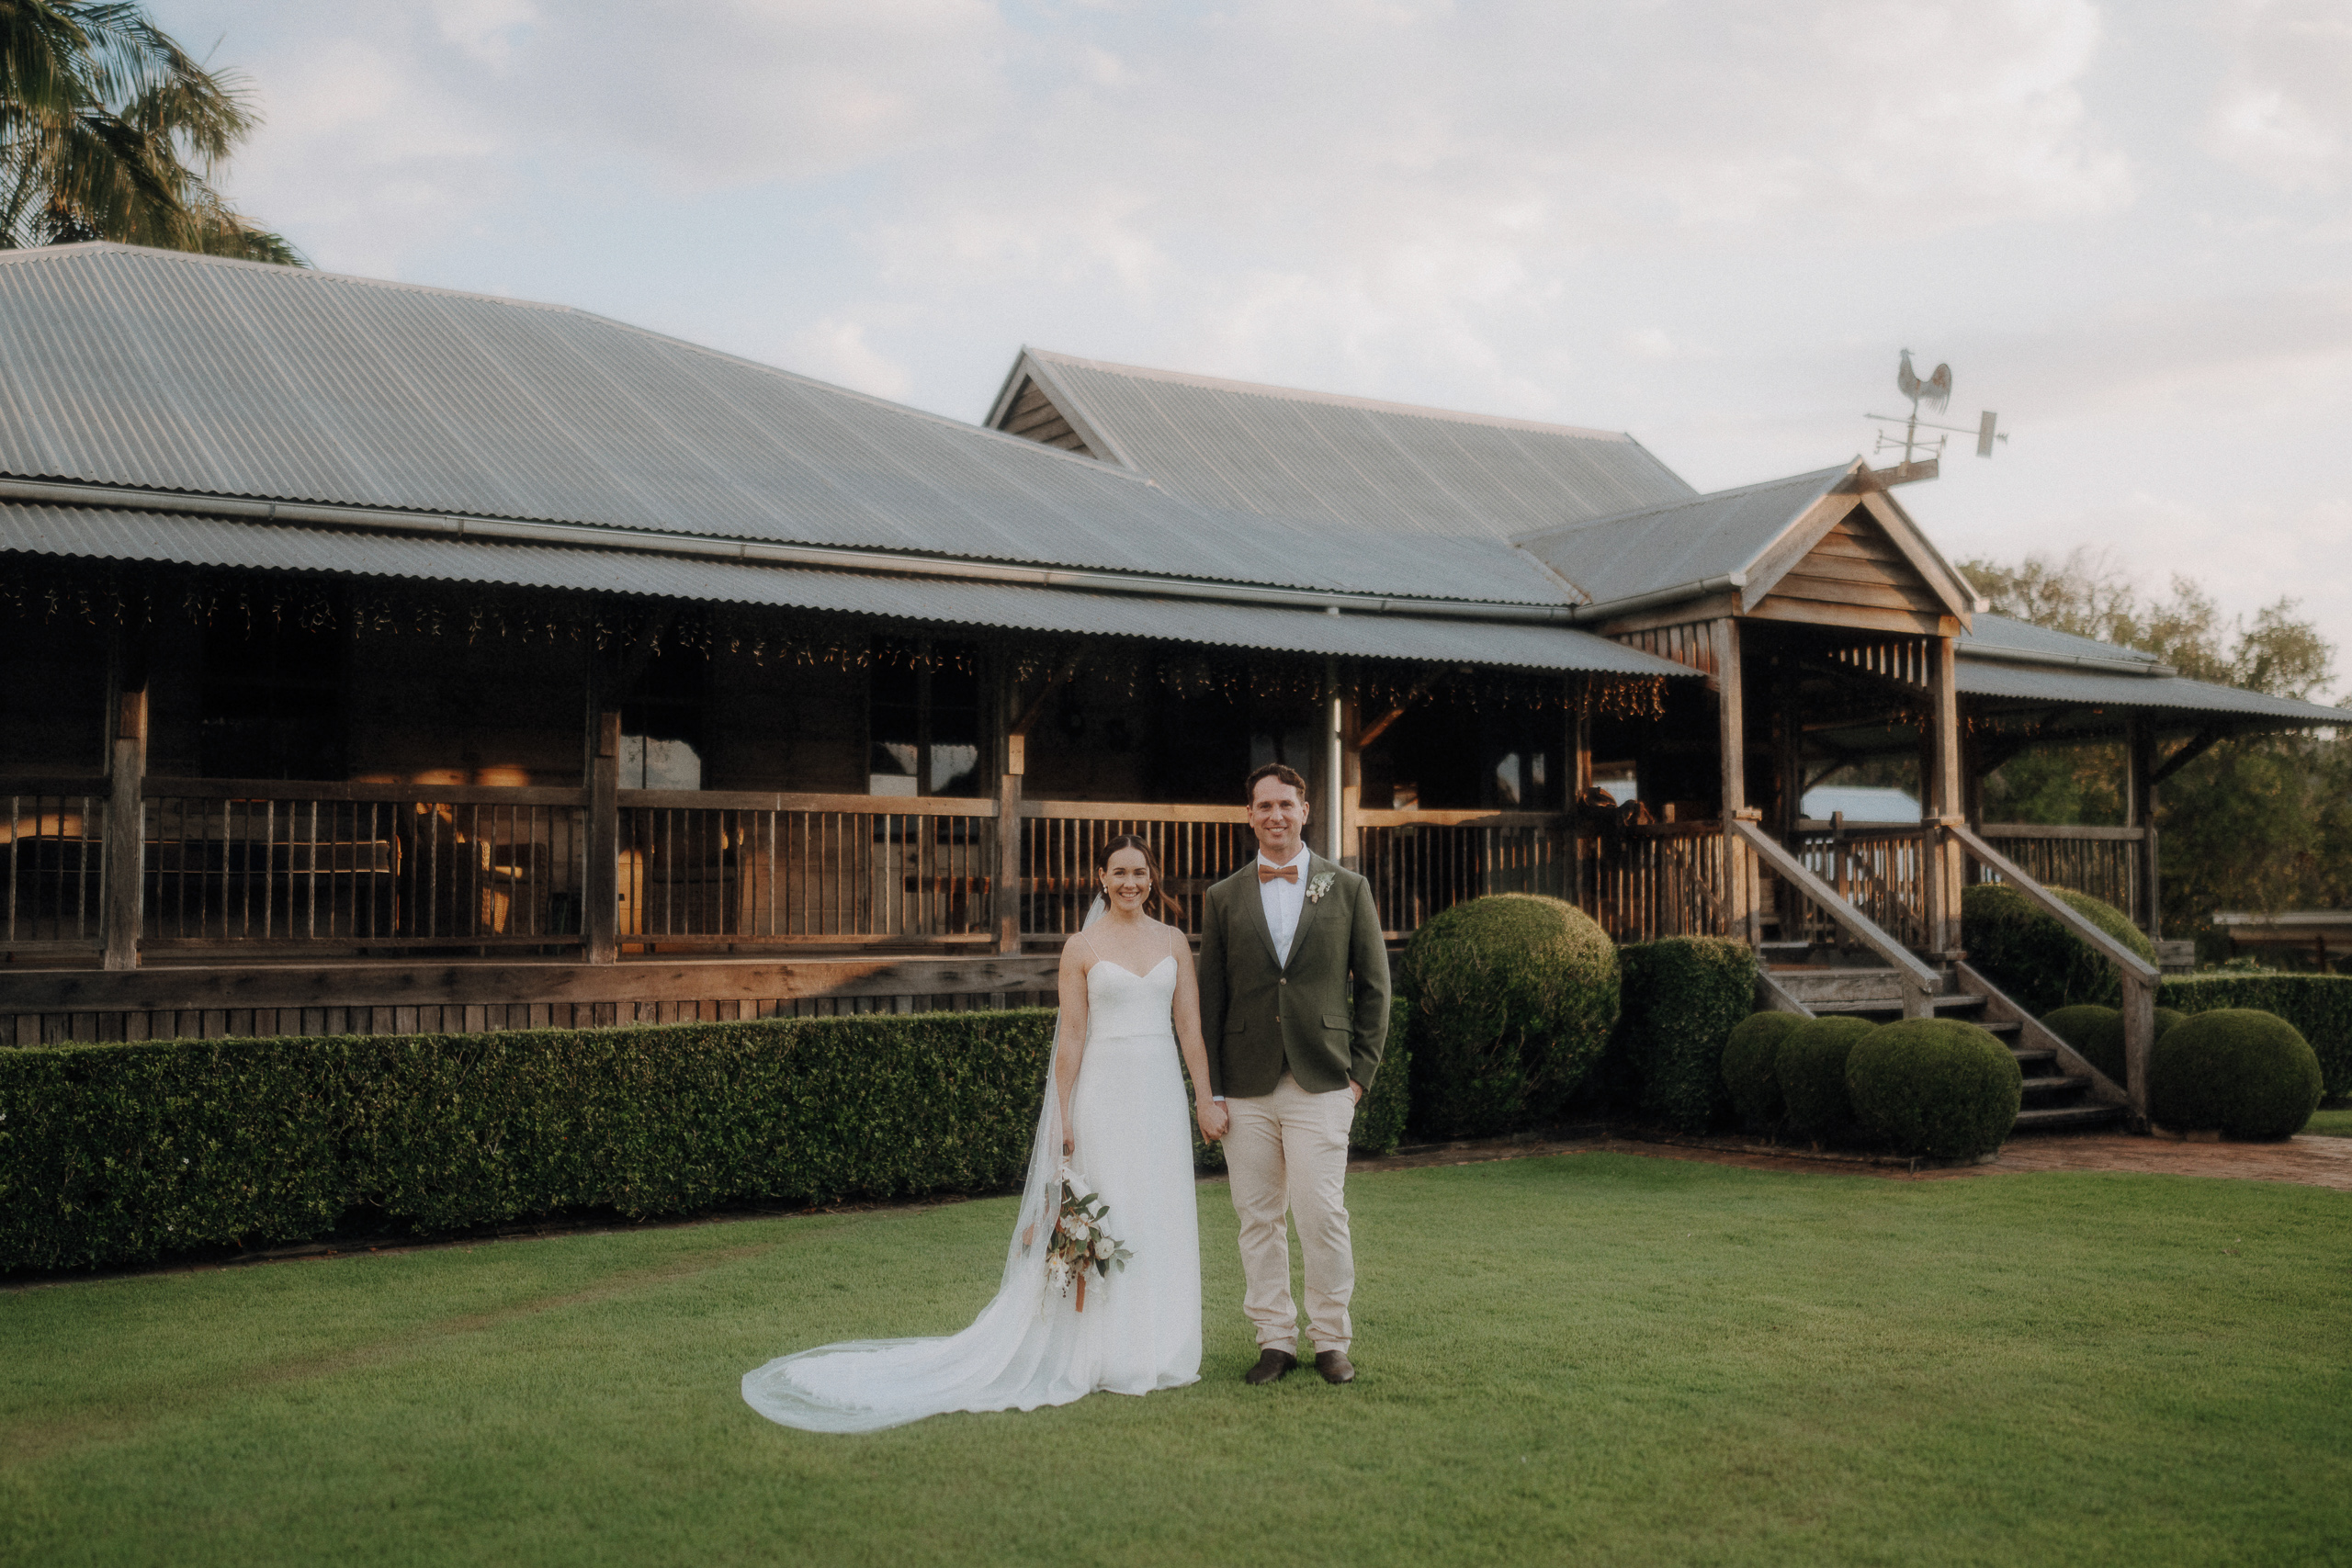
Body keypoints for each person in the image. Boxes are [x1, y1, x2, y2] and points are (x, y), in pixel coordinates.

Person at [741, 835, 1225, 1432]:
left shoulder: (1174, 941)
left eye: (1141, 872)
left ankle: (1156, 1350)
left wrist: (1205, 1097)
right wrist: (1065, 1114)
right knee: (1112, 1213)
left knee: (1159, 1215)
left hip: (1157, 1098)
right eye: (1119, 872)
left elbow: (1191, 1028)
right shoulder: (1081, 946)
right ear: (1100, 877)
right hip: (1104, 1096)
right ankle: (1100, 1352)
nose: (1131, 882)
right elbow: (1071, 1038)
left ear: (1154, 878)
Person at [1196, 762, 1390, 1386]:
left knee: (1320, 1212)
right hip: (1246, 1085)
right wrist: (1212, 1091)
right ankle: (1274, 1339)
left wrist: (1358, 1076)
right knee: (1258, 1217)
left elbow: (1376, 989)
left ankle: (1331, 1337)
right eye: (1263, 806)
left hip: (1323, 1081)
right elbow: (1210, 999)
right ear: (1249, 816)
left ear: (1305, 810)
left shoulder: (1348, 888)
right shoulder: (1222, 898)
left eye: (1285, 804)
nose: (1274, 815)